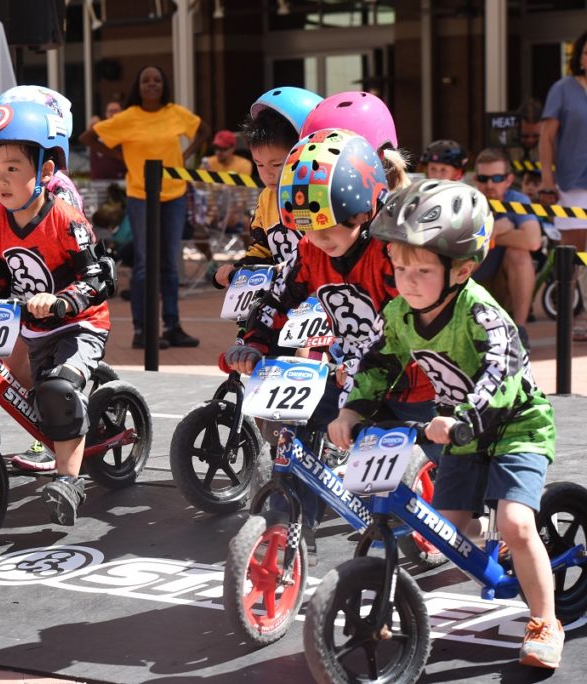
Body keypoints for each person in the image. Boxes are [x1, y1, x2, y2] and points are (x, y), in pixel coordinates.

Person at [329, 179, 562, 670]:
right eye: (399, 269)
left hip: (515, 427)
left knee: (518, 524)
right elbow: (376, 364)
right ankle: (493, 535)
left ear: (461, 269)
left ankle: (545, 621)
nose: (408, 282)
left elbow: (500, 374)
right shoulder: (398, 314)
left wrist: (460, 418)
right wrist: (352, 410)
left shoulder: (481, 314)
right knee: (443, 533)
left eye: (422, 271)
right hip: (459, 432)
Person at [225, 129, 437, 530]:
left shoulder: (392, 252)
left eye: (327, 227)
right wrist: (254, 343)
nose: (318, 239)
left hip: (415, 384)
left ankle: (483, 518)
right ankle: (289, 527)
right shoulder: (310, 251)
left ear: (364, 213)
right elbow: (277, 299)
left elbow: (406, 328)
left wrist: (360, 372)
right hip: (353, 377)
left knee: (453, 468)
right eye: (307, 228)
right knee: (297, 428)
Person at [0, 97, 112, 526]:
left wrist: (63, 300)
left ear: (46, 172)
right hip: (31, 325)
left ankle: (69, 480)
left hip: (79, 325)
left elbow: (99, 276)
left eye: (13, 168)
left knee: (56, 389)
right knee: (18, 382)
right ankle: (57, 430)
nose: (1, 179)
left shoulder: (65, 220)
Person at [80, 65, 210, 350]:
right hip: (141, 196)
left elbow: (204, 131)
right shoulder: (128, 118)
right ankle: (142, 330)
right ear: (138, 87)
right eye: (145, 80)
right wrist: (122, 157)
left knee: (170, 264)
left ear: (164, 85)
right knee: (143, 265)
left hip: (174, 195)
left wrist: (184, 156)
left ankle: (172, 327)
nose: (152, 84)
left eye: (157, 80)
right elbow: (87, 138)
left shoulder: (175, 113)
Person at [213, 86, 322, 288]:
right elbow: (262, 248)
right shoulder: (267, 198)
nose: (267, 174)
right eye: (259, 164)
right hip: (285, 293)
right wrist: (237, 270)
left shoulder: (320, 194)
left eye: (277, 164)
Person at [538, 30, 587, 339]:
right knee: (573, 254)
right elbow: (546, 137)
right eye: (586, 52)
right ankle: (569, 322)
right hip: (573, 183)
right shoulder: (563, 89)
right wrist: (547, 178)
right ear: (579, 57)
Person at [472, 147, 542, 340]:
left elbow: (533, 241)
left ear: (509, 180)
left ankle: (520, 331)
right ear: (475, 179)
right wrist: (495, 228)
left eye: (497, 178)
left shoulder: (517, 200)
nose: (489, 185)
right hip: (471, 281)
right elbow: (462, 249)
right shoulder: (468, 200)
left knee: (519, 254)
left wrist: (487, 234)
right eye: (483, 178)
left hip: (503, 284)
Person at [87, 100, 126, 181]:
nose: (113, 114)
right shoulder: (99, 131)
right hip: (98, 180)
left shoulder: (126, 131)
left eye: (116, 111)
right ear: (106, 114)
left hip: (121, 180)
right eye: (110, 111)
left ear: (122, 113)